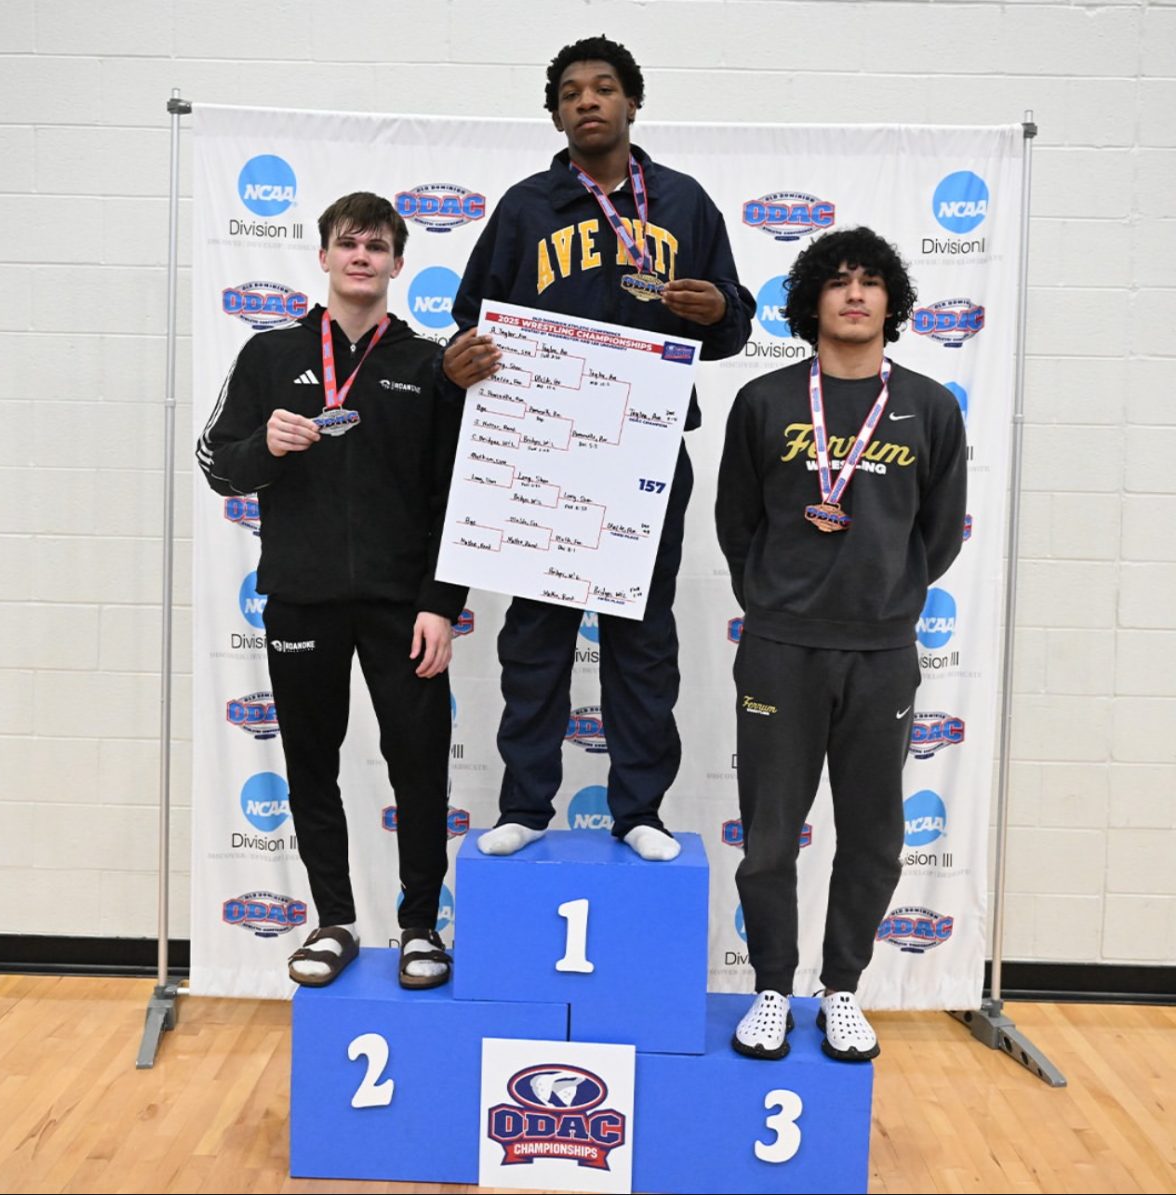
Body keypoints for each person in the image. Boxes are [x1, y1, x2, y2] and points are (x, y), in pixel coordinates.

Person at [444, 35, 755, 862]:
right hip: (543, 451)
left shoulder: (684, 204)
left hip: (645, 456)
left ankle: (640, 809)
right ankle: (524, 805)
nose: (588, 100)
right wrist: (466, 355)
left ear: (631, 104)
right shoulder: (524, 207)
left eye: (604, 87)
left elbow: (736, 325)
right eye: (572, 91)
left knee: (642, 635)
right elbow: (475, 320)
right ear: (556, 112)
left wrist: (715, 310)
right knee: (535, 634)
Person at [197, 192, 487, 989]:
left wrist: (441, 601)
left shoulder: (429, 365)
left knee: (419, 766)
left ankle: (422, 926)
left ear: (398, 263)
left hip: (405, 606)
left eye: (377, 245)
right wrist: (266, 443)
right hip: (300, 599)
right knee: (311, 766)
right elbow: (218, 461)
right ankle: (334, 921)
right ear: (322, 257)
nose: (362, 256)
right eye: (347, 243)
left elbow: (458, 495)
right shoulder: (268, 357)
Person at [715, 226, 967, 1061]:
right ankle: (772, 989)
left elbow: (940, 530)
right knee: (771, 835)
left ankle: (844, 988)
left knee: (871, 834)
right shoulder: (766, 400)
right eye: (838, 281)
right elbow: (735, 521)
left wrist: (888, 595)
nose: (854, 294)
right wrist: (778, 599)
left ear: (891, 301)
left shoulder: (929, 405)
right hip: (782, 645)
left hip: (882, 649)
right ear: (811, 300)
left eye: (870, 282)